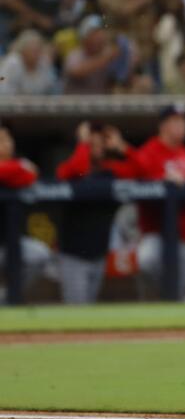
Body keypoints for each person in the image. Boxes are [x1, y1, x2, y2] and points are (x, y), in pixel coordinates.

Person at [55, 122, 138, 304]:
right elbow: (79, 171)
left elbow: (141, 171)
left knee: (89, 310)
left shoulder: (110, 169)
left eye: (100, 143)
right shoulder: (67, 168)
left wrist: (121, 146)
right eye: (93, 144)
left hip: (99, 254)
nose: (97, 148)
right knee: (76, 311)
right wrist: (84, 142)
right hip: (72, 254)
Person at [129, 104, 185, 299]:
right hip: (157, 229)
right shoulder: (149, 151)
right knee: (146, 261)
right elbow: (135, 176)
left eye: (184, 122)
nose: (182, 126)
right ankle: (168, 298)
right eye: (176, 121)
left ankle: (175, 301)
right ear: (163, 125)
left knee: (178, 289)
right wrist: (162, 178)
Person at [0, 123, 52, 298]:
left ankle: (9, 295)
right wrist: (19, 167)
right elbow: (21, 171)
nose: (7, 143)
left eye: (8, 139)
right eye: (1, 140)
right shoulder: (18, 165)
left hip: (10, 243)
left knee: (41, 255)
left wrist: (17, 169)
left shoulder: (16, 166)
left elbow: (31, 175)